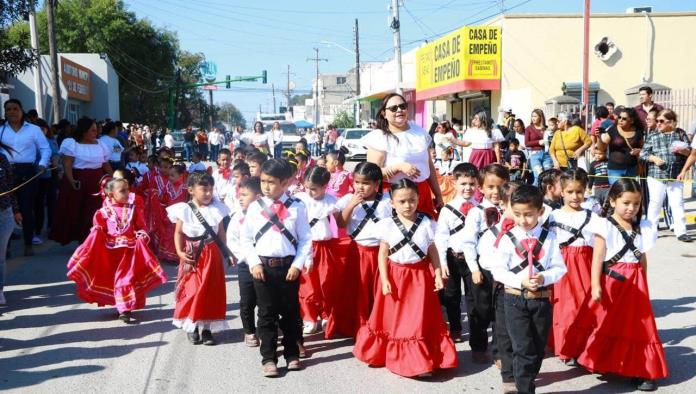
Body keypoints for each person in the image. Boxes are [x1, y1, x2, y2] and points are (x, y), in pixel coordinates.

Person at [352, 178, 457, 378]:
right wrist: (384, 280)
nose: (407, 205)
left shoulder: (427, 223)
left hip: (418, 277)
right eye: (402, 201)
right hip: (394, 275)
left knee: (415, 319)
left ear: (418, 199)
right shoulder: (386, 225)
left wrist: (436, 273)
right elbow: (382, 254)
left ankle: (416, 360)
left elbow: (431, 250)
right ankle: (383, 353)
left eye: (412, 200)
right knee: (391, 318)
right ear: (392, 202)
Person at [581, 179, 668, 391]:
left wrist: (644, 281)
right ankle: (607, 361)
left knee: (639, 326)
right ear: (612, 200)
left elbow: (642, 258)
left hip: (635, 283)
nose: (631, 208)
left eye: (636, 204)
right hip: (613, 281)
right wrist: (595, 285)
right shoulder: (604, 225)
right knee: (611, 323)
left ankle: (641, 370)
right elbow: (598, 258)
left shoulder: (643, 227)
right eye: (626, 202)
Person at [491, 184, 567, 394]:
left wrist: (545, 277)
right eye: (517, 215)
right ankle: (524, 388)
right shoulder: (507, 238)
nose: (523, 220)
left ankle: (525, 379)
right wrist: (519, 281)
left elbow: (560, 268)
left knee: (537, 348)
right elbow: (497, 270)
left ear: (540, 212)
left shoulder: (550, 237)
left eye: (528, 215)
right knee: (523, 348)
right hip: (514, 299)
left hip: (541, 299)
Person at [239, 159, 311, 377]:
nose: (266, 186)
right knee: (267, 314)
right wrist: (254, 262)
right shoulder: (254, 208)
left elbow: (306, 239)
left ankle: (292, 355)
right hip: (263, 268)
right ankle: (269, 358)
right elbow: (246, 239)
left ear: (286, 182)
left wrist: (298, 265)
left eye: (271, 182)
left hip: (288, 268)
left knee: (290, 314)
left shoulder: (297, 207)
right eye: (263, 181)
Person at [66, 177, 167, 323]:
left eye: (128, 190)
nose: (127, 194)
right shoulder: (103, 212)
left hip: (129, 251)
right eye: (122, 191)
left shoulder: (133, 209)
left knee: (125, 279)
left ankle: (124, 310)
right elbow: (98, 230)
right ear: (111, 194)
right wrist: (97, 233)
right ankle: (122, 306)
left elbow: (141, 227)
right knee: (115, 280)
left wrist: (141, 236)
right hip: (111, 253)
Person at [167, 172, 232, 345]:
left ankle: (207, 329)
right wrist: (180, 252)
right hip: (192, 254)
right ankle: (192, 325)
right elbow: (178, 233)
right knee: (193, 290)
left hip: (212, 254)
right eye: (204, 189)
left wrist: (226, 253)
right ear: (191, 190)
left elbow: (221, 234)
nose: (209, 193)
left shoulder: (218, 208)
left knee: (210, 290)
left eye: (211, 189)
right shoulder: (184, 209)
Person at [362, 93, 443, 218]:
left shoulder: (419, 132)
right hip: (395, 195)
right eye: (393, 108)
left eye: (402, 106)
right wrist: (399, 167)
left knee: (424, 233)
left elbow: (429, 167)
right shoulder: (379, 137)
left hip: (422, 193)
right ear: (384, 113)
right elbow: (371, 174)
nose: (399, 110)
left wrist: (438, 195)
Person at [548, 169, 600, 365]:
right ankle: (566, 347)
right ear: (561, 191)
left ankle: (586, 346)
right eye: (570, 192)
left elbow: (598, 243)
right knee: (565, 307)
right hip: (561, 263)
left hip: (585, 263)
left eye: (579, 191)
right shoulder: (553, 216)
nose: (575, 196)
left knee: (585, 306)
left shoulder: (592, 216)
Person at [335, 162, 393, 333]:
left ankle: (379, 323)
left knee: (378, 290)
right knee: (357, 290)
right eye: (357, 182)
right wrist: (351, 204)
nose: (360, 187)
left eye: (366, 183)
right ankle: (359, 324)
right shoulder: (347, 199)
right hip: (358, 252)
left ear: (376, 185)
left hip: (381, 252)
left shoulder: (387, 201)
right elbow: (341, 223)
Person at [460, 163, 509, 363]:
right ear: (481, 188)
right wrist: (473, 268)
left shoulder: (512, 211)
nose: (495, 192)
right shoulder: (475, 212)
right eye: (490, 187)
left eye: (500, 186)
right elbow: (468, 242)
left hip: (505, 270)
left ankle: (499, 352)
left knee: (501, 312)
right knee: (480, 311)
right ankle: (478, 346)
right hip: (483, 269)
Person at [478, 181, 520, 392]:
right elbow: (485, 260)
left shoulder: (536, 229)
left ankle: (524, 369)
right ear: (503, 204)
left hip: (530, 291)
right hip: (505, 288)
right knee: (504, 332)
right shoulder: (494, 233)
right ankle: (509, 376)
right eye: (515, 203)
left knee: (527, 334)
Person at [50, 117, 113, 246]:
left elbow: (105, 164)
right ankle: (82, 240)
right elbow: (68, 164)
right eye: (92, 130)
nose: (95, 133)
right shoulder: (72, 144)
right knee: (77, 211)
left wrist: (114, 178)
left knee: (95, 210)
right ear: (84, 131)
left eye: (96, 130)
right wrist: (72, 180)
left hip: (98, 180)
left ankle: (93, 238)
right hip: (79, 180)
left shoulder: (101, 144)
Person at [1, 99, 51, 255]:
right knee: (5, 210)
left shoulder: (34, 130)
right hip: (5, 173)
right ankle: (5, 247)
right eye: (8, 109)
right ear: (5, 112)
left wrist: (42, 164)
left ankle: (28, 244)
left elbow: (45, 148)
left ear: (22, 110)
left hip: (28, 172)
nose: (12, 112)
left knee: (27, 209)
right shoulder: (1, 130)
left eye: (15, 108)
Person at [434, 163, 478, 342]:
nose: (468, 188)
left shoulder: (480, 208)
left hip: (473, 260)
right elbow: (441, 237)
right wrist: (442, 263)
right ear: (455, 183)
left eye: (472, 184)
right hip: (453, 257)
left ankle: (477, 333)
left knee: (473, 296)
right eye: (464, 184)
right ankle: (455, 328)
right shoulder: (447, 209)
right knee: (451, 295)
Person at [294, 167, 338, 334]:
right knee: (307, 285)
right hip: (306, 246)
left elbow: (340, 223)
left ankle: (326, 315)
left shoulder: (331, 201)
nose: (310, 191)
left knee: (326, 283)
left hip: (325, 247)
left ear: (325, 186)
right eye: (307, 187)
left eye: (314, 188)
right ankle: (309, 317)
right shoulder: (299, 200)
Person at [639, 109, 692, 242]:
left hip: (675, 174)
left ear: (671, 122)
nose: (658, 123)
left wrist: (684, 150)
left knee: (677, 203)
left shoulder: (680, 133)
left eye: (661, 121)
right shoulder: (653, 136)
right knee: (655, 203)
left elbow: (690, 153)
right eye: (657, 121)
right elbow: (643, 154)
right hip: (656, 175)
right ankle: (651, 231)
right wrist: (654, 159)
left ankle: (681, 232)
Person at [227, 176, 261, 347]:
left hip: (264, 264)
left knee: (265, 301)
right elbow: (232, 240)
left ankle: (266, 328)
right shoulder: (237, 216)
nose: (240, 198)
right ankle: (249, 331)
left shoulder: (266, 214)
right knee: (247, 301)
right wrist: (247, 258)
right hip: (245, 265)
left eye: (245, 195)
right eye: (239, 194)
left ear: (258, 196)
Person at [0, 143, 22, 305]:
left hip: (4, 211)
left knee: (0, 256)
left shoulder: (2, 159)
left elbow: (11, 186)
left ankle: (0, 290)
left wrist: (16, 210)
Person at [598, 107, 644, 184]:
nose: (620, 120)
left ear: (631, 120)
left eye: (624, 118)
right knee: (617, 193)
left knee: (629, 193)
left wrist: (639, 151)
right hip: (615, 169)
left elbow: (644, 148)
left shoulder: (638, 132)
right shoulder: (613, 129)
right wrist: (599, 137)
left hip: (631, 168)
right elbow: (602, 148)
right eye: (619, 117)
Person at [32, 119, 59, 244]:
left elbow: (55, 156)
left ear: (47, 129)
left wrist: (56, 164)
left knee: (51, 202)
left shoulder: (50, 141)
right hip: (32, 177)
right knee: (37, 205)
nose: (41, 131)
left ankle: (51, 227)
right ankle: (36, 231)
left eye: (43, 128)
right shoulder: (30, 142)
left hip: (49, 176)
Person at [157, 164, 188, 262]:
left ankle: (177, 255)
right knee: (169, 234)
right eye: (169, 175)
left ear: (180, 176)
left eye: (172, 175)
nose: (169, 177)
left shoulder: (185, 188)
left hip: (181, 216)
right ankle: (167, 255)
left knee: (180, 234)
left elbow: (188, 201)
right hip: (170, 215)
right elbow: (163, 199)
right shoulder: (167, 186)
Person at [525, 109, 552, 184]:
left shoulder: (546, 128)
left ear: (540, 117)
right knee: (538, 176)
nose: (533, 118)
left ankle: (545, 195)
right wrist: (539, 142)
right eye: (532, 116)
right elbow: (527, 143)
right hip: (535, 154)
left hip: (547, 154)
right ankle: (533, 195)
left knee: (548, 177)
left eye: (535, 116)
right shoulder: (528, 129)